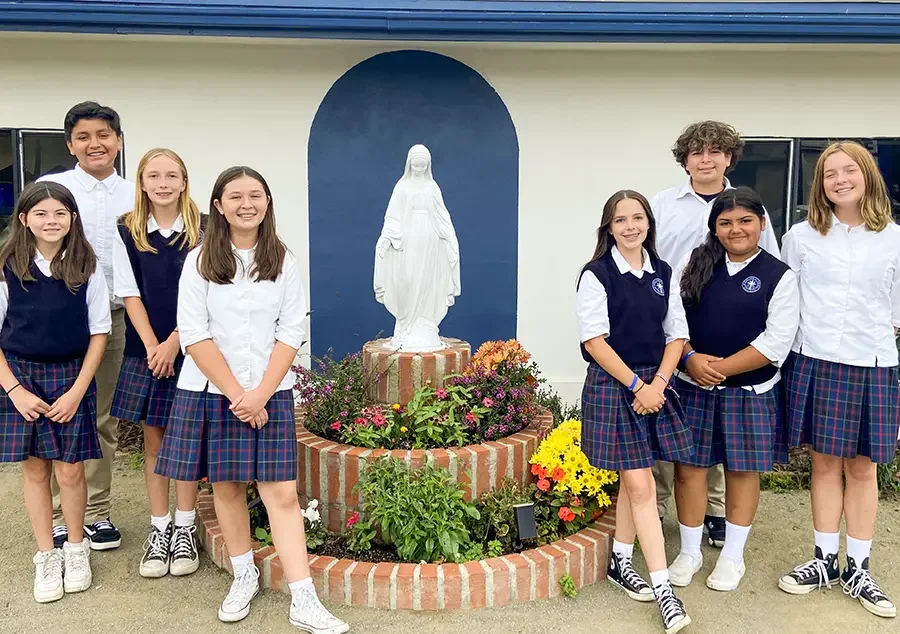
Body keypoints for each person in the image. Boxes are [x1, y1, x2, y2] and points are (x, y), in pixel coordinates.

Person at [154, 167, 349, 632]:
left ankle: (303, 598)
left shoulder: (284, 259)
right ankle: (244, 576)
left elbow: (291, 330)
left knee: (281, 492)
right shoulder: (199, 260)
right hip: (212, 391)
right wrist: (239, 395)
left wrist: (260, 393)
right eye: (235, 196)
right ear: (218, 206)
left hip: (271, 391)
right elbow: (194, 334)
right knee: (225, 486)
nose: (247, 203)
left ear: (267, 203)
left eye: (255, 195)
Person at [777, 141, 898, 619]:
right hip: (816, 359)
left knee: (864, 468)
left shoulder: (893, 238)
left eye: (850, 170)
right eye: (830, 173)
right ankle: (825, 559)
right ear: (820, 184)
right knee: (824, 464)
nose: (840, 179)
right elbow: (789, 302)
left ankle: (860, 568)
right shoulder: (801, 236)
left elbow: (895, 311)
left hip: (871, 363)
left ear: (867, 175)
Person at [650, 120, 780, 547]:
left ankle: (716, 512)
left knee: (719, 424)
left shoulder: (748, 208)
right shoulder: (663, 205)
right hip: (667, 328)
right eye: (696, 152)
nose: (706, 159)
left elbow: (771, 272)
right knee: (668, 416)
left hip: (727, 336)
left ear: (729, 157)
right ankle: (658, 505)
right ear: (685, 159)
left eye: (715, 151)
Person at [669, 187, 799, 592]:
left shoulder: (779, 275)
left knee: (742, 471)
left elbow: (776, 342)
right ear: (714, 229)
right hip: (693, 386)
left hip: (750, 392)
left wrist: (720, 369)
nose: (735, 229)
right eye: (725, 222)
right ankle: (690, 551)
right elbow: (673, 319)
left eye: (745, 221)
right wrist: (690, 359)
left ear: (762, 224)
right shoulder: (695, 264)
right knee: (689, 471)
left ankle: (732, 555)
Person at [577, 190, 692, 634]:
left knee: (634, 479)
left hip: (654, 385)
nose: (630, 226)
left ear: (649, 223)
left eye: (638, 218)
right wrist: (638, 386)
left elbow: (676, 334)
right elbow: (594, 343)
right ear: (608, 227)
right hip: (616, 385)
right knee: (642, 485)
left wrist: (659, 384)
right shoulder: (596, 275)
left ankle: (620, 561)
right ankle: (666, 592)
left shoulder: (663, 272)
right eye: (620, 220)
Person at [0, 181, 111, 602]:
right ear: (25, 219)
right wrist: (14, 391)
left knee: (70, 469)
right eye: (41, 214)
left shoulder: (87, 266)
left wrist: (78, 391)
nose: (51, 221)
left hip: (71, 377)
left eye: (60, 213)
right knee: (35, 470)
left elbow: (100, 332)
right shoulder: (6, 265)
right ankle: (46, 555)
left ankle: (76, 548)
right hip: (21, 378)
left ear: (72, 219)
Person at [37, 101, 135, 551]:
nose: (94, 144)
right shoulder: (51, 188)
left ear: (117, 140)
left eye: (103, 135)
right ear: (70, 144)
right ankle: (59, 516)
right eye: (84, 137)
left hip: (115, 319)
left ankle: (96, 512)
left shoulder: (135, 194)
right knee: (55, 413)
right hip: (57, 319)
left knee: (102, 419)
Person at [110, 148, 205, 578]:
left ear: (184, 181)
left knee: (184, 440)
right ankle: (160, 526)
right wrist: (154, 346)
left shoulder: (204, 229)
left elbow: (210, 292)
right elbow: (130, 294)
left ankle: (185, 528)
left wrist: (175, 342)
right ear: (142, 183)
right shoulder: (127, 230)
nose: (163, 182)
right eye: (154, 175)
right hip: (146, 350)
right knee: (155, 440)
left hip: (195, 347)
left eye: (172, 175)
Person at [373, 144, 460, 352]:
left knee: (428, 281)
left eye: (423, 165)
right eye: (416, 164)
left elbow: (442, 215)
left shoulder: (432, 188)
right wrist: (387, 237)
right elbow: (393, 216)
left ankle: (425, 323)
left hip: (429, 241)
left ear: (428, 165)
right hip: (408, 240)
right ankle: (406, 324)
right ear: (409, 164)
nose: (419, 168)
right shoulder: (402, 187)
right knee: (407, 279)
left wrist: (450, 237)